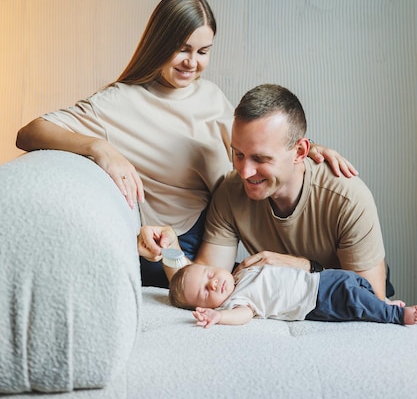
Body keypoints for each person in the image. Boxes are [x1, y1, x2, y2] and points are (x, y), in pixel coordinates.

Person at [16, 0, 356, 287]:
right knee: (272, 282)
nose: (193, 63)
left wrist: (301, 150)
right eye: (182, 49)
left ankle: (356, 281)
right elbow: (30, 132)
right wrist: (100, 149)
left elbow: (248, 146)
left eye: (203, 51)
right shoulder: (118, 103)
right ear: (160, 44)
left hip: (224, 227)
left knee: (302, 266)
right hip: (171, 244)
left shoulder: (209, 94)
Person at [138, 83, 394, 298]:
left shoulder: (348, 198)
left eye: (260, 159)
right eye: (238, 154)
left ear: (301, 152)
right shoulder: (230, 192)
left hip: (348, 282)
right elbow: (203, 280)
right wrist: (170, 249)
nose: (245, 171)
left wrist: (304, 267)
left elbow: (371, 299)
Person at [168, 262, 416, 328]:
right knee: (353, 299)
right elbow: (242, 316)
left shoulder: (240, 274)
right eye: (203, 292)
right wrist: (218, 317)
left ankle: (382, 302)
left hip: (319, 279)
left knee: (357, 283)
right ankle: (396, 315)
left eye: (210, 274)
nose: (212, 284)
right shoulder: (237, 302)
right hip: (315, 301)